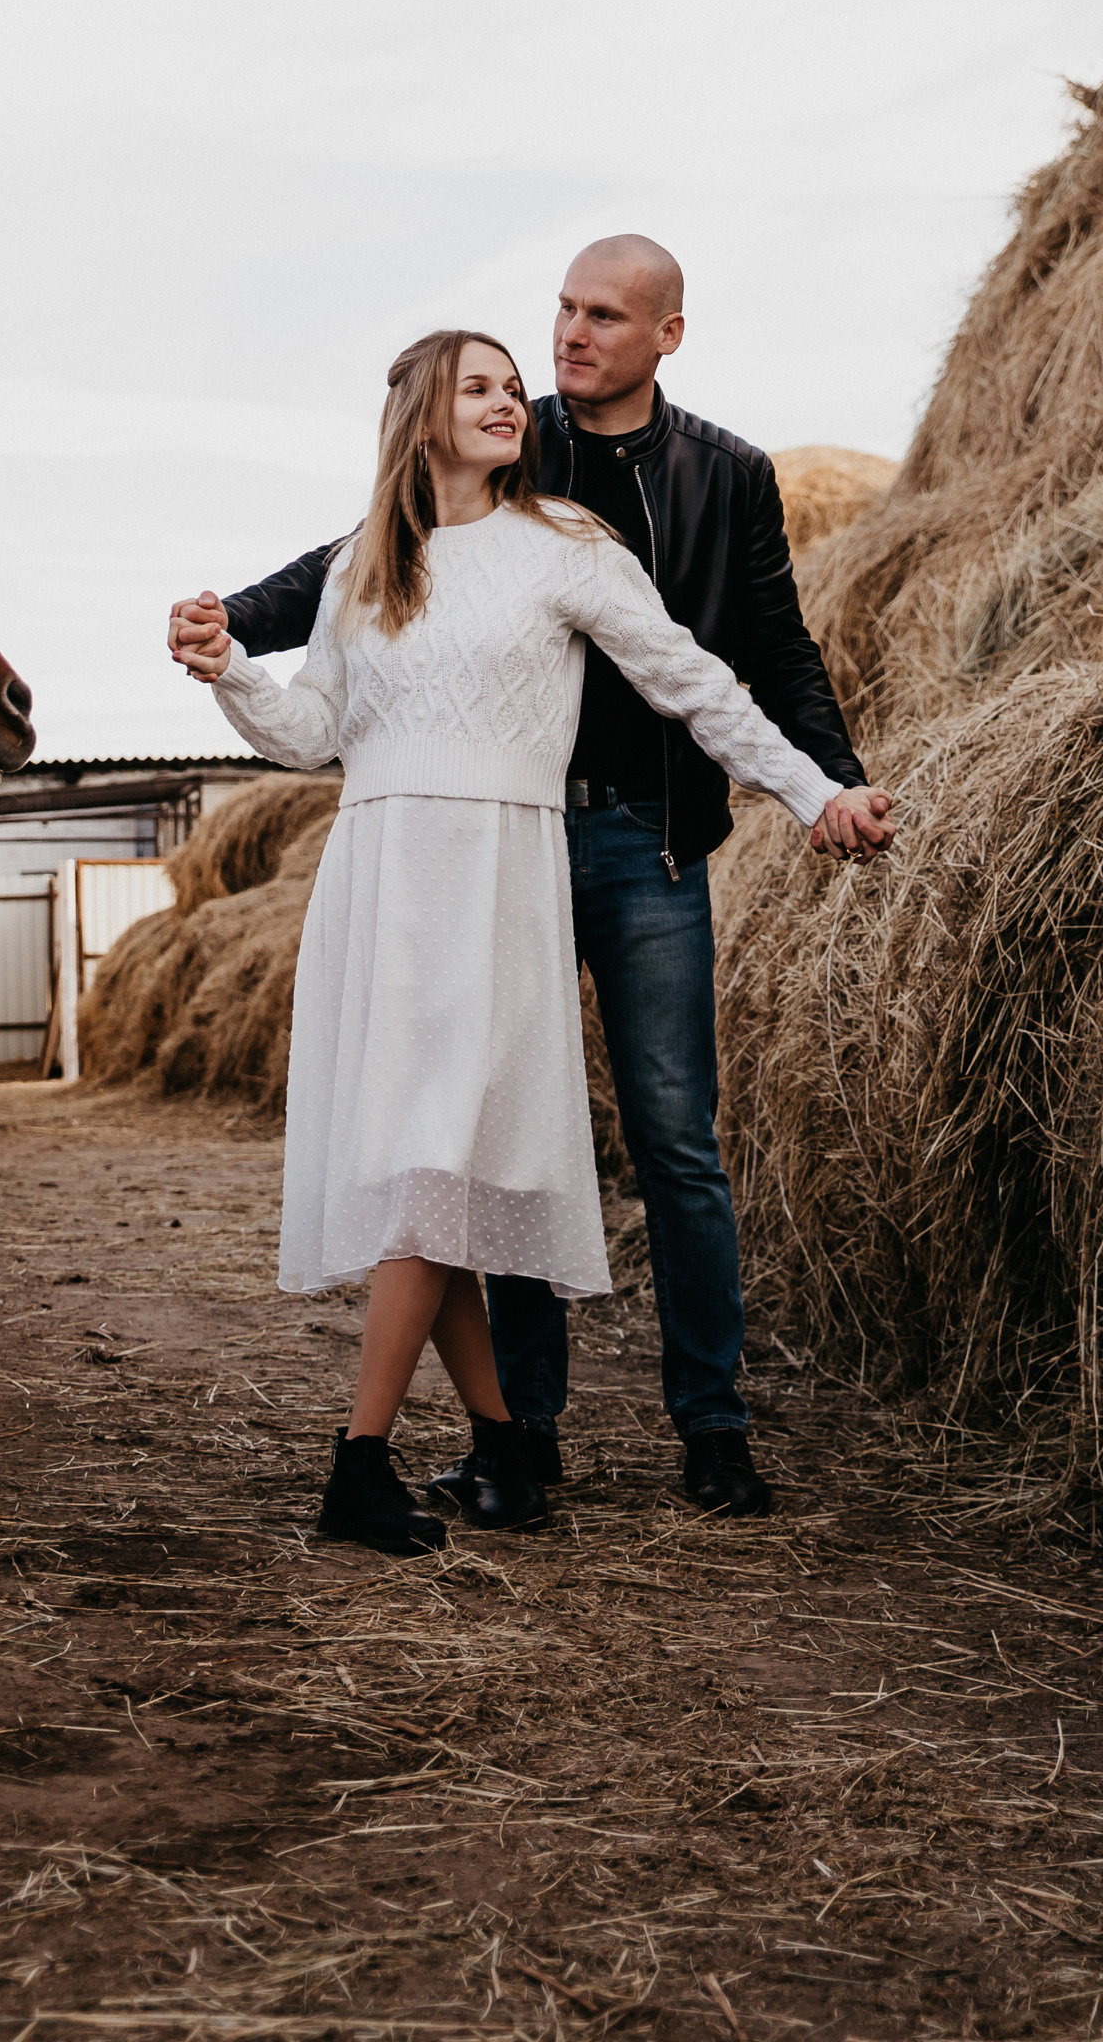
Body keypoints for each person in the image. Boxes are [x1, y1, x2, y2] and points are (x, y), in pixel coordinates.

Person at [172, 239, 895, 1522]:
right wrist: (226, 645)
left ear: (665, 331)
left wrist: (819, 788)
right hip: (397, 882)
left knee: (622, 1145)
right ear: (425, 417)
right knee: (445, 1166)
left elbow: (715, 674)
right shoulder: (374, 560)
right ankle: (512, 1440)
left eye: (586, 324)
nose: (537, 371)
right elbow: (312, 715)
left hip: (570, 857)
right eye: (496, 374)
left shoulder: (611, 522)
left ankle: (643, 1431)